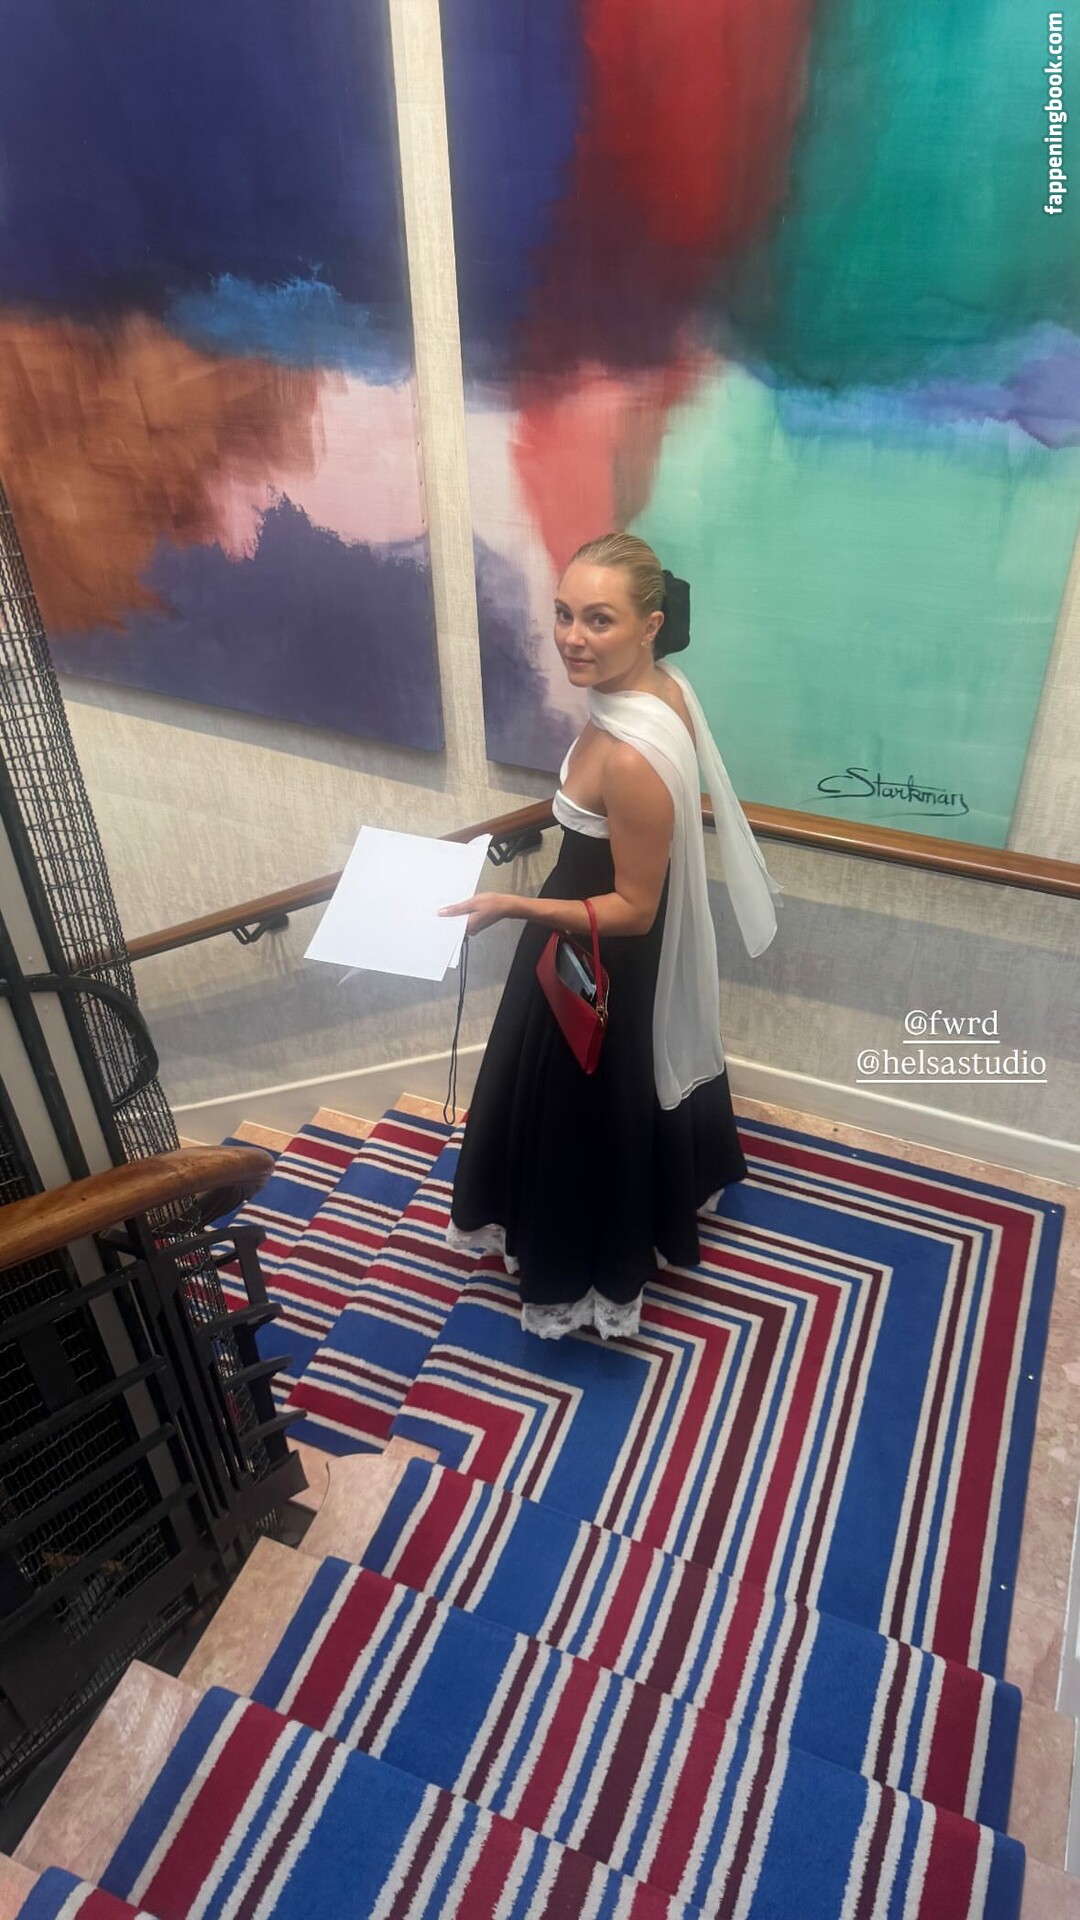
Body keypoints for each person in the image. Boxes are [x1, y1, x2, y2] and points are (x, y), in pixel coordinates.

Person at [437, 531, 783, 1340]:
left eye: (599, 620)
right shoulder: (661, 689)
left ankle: (582, 1265)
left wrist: (517, 908)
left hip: (595, 951)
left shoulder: (630, 756)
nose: (572, 637)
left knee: (579, 1120)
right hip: (584, 931)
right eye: (564, 614)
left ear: (650, 625)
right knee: (601, 1113)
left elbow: (635, 909)